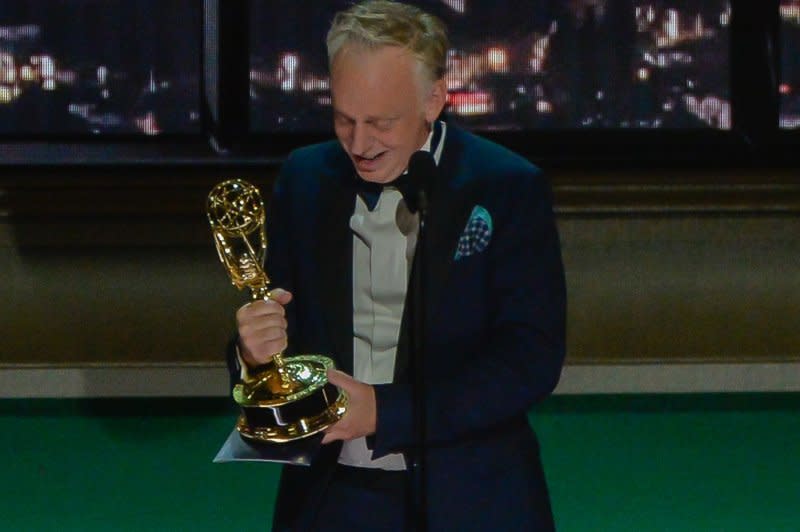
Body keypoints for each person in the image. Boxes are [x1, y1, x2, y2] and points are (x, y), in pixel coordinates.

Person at [230, 1, 566, 530]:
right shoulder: (304, 178)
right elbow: (277, 334)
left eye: (381, 123)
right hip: (330, 500)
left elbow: (530, 359)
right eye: (344, 119)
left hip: (472, 499)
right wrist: (253, 355)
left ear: (434, 98)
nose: (359, 144)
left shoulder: (506, 187)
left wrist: (386, 413)